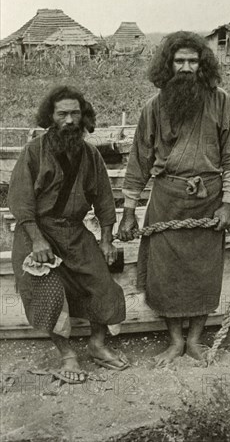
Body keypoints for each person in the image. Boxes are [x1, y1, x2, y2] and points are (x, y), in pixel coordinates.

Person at [118, 31, 230, 365]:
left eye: (193, 60)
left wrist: (228, 203)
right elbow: (139, 161)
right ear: (168, 64)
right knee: (166, 273)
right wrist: (128, 211)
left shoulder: (221, 101)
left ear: (203, 64)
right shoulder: (153, 107)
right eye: (179, 61)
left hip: (209, 200)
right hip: (166, 199)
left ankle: (195, 342)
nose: (186, 67)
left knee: (204, 271)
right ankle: (175, 342)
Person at [8, 86, 129, 383]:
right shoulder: (33, 152)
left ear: (83, 115)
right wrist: (36, 240)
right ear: (51, 116)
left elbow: (103, 199)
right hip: (37, 232)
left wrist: (105, 240)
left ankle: (97, 345)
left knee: (103, 284)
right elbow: (21, 201)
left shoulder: (90, 154)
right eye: (62, 114)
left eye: (75, 113)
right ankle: (68, 356)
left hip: (74, 231)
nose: (70, 120)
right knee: (48, 291)